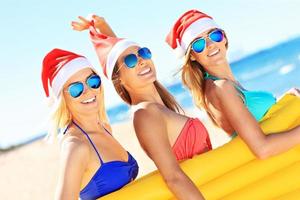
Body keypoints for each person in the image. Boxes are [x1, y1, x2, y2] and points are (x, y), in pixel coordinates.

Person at [72, 15, 211, 200]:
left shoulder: (159, 104)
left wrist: (102, 26)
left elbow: (118, 56)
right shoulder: (145, 115)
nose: (141, 61)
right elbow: (173, 178)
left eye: (143, 53)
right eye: (130, 60)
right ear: (119, 79)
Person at [165, 9, 300, 159]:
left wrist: (285, 101)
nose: (210, 44)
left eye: (214, 35)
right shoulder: (221, 87)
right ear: (192, 56)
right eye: (199, 44)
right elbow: (263, 149)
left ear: (224, 39)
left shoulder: (223, 85)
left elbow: (255, 117)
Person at [41, 48, 138, 200]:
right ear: (62, 99)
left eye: (93, 81)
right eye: (76, 89)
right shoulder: (76, 145)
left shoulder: (105, 127)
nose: (88, 91)